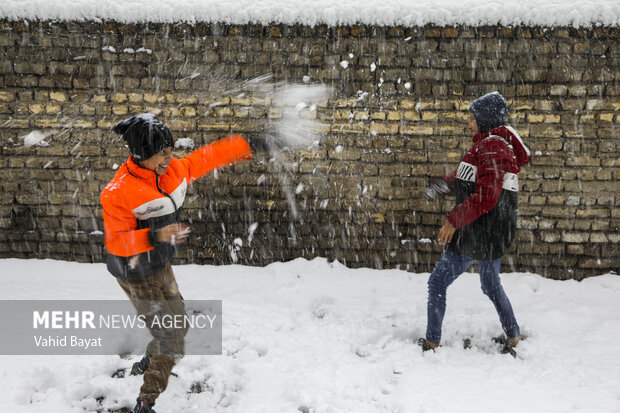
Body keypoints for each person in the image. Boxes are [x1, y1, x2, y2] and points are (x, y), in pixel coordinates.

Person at [100, 113, 254, 413]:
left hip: (160, 264)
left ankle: (149, 360)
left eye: (170, 152)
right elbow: (117, 242)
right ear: (141, 154)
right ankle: (146, 401)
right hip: (134, 272)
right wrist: (157, 234)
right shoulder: (118, 193)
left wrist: (247, 144)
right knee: (171, 337)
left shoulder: (173, 171)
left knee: (178, 322)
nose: (169, 160)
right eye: (161, 155)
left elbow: (206, 158)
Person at [420, 91, 531, 354]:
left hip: (478, 231)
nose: (469, 124)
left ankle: (431, 342)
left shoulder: (494, 146)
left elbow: (486, 195)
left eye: (472, 118)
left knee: (437, 282)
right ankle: (514, 336)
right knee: (490, 284)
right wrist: (442, 185)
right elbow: (471, 182)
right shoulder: (490, 146)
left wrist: (453, 221)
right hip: (490, 231)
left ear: (486, 119)